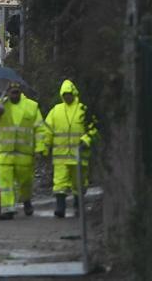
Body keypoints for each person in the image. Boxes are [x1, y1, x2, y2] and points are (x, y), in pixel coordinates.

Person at [0, 82, 46, 220]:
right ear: (8, 92)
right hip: (4, 153)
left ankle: (26, 200)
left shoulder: (31, 106)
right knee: (5, 184)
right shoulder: (2, 105)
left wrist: (39, 149)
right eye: (11, 91)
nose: (14, 94)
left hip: (24, 154)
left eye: (16, 91)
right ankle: (8, 209)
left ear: (20, 91)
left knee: (25, 182)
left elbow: (40, 129)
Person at [42, 79, 95, 218]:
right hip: (61, 155)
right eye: (64, 94)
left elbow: (93, 129)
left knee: (79, 183)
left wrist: (86, 140)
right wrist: (45, 147)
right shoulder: (56, 110)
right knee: (59, 183)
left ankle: (78, 205)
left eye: (69, 94)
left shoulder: (83, 109)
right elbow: (47, 130)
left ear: (74, 93)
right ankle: (61, 207)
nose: (67, 97)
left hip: (79, 154)